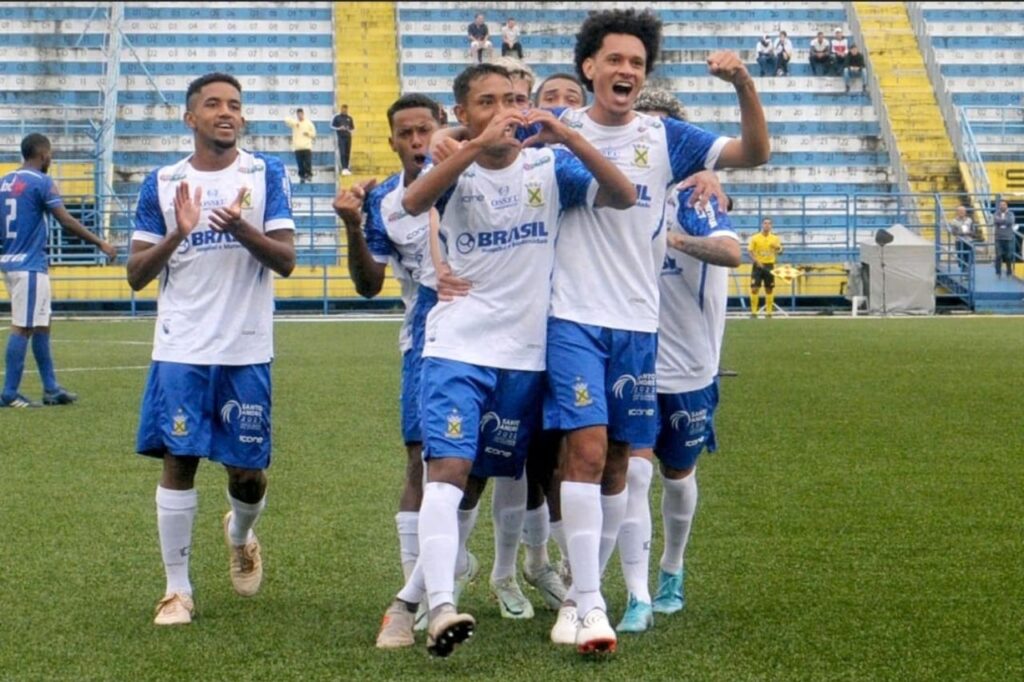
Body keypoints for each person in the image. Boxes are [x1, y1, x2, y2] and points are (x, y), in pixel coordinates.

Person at [373, 62, 636, 658]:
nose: (506, 110)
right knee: (447, 472)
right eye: (488, 101)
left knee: (501, 480)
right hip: (456, 346)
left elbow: (621, 195)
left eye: (515, 98)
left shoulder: (548, 164)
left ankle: (419, 599)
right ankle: (441, 606)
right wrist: (467, 150)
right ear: (461, 115)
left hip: (527, 353)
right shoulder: (446, 165)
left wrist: (568, 135)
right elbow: (411, 202)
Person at [545, 8, 768, 654]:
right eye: (615, 60)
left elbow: (754, 153)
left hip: (639, 327)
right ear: (589, 67)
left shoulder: (665, 136)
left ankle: (584, 592)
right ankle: (587, 604)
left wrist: (743, 86)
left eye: (637, 63)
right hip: (575, 318)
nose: (627, 71)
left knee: (620, 465)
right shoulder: (558, 137)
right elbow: (604, 193)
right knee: (586, 452)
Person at [126, 72, 296, 626]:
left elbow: (287, 261)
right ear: (190, 117)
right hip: (181, 345)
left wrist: (243, 230)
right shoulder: (163, 182)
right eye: (214, 104)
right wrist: (179, 231)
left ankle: (240, 532)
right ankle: (177, 590)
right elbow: (135, 274)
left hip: (246, 347)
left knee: (246, 472)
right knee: (180, 460)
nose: (227, 112)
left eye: (236, 106)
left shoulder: (264, 174)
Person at [333, 94, 442, 625]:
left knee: (530, 464)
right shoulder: (384, 203)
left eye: (425, 129)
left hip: (508, 330)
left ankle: (526, 570)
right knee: (422, 460)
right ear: (393, 140)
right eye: (407, 133)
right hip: (428, 339)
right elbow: (368, 285)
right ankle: (416, 590)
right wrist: (353, 225)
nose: (418, 141)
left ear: (443, 126)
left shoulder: (486, 175)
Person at [640, 186, 741, 631]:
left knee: (677, 475)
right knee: (629, 475)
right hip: (632, 361)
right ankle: (633, 588)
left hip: (690, 368)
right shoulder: (623, 191)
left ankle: (671, 569)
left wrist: (672, 240)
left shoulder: (695, 200)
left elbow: (731, 252)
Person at [0, 133, 117, 408]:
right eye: (50, 155)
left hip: (13, 262)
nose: (50, 159)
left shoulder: (4, 182)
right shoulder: (42, 181)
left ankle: (51, 388)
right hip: (29, 266)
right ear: (43, 155)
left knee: (42, 325)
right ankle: (9, 393)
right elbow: (64, 220)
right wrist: (100, 242)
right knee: (23, 327)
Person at [748, 217, 782, 317]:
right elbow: (750, 251)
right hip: (758, 265)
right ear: (762, 225)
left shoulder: (775, 239)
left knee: (769, 289)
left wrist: (777, 248)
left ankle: (769, 312)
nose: (767, 225)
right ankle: (754, 312)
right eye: (765, 223)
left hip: (769, 265)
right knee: (754, 288)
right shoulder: (755, 238)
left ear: (771, 226)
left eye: (769, 223)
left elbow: (780, 251)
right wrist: (756, 261)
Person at [284, 108, 316, 183]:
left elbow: (314, 134)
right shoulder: (295, 123)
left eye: (301, 114)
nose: (299, 116)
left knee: (308, 162)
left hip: (306, 147)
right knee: (300, 163)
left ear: (303, 114)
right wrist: (295, 123)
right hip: (297, 147)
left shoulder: (308, 123)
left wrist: (308, 133)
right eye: (298, 114)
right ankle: (302, 176)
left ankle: (309, 175)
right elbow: (286, 120)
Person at [947, 205, 977, 271]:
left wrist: (969, 232)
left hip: (969, 241)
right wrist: (962, 233)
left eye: (963, 211)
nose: (961, 212)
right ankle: (963, 270)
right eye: (960, 211)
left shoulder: (970, 220)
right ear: (957, 212)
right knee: (960, 258)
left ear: (965, 212)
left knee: (969, 258)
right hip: (959, 241)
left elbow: (974, 232)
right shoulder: (954, 221)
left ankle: (967, 272)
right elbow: (953, 232)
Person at [992, 200, 1017, 276]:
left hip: (1008, 238)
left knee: (1008, 256)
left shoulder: (1011, 214)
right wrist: (1004, 221)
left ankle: (1009, 271)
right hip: (998, 238)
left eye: (1004, 205)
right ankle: (998, 271)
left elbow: (1010, 221)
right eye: (1001, 205)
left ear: (1007, 206)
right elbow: (995, 220)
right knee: (999, 255)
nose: (1002, 206)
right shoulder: (996, 213)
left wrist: (1001, 221)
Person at [331, 104, 354, 176]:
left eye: (346, 109)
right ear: (341, 109)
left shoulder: (350, 118)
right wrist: (339, 128)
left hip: (348, 137)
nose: (344, 110)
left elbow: (353, 128)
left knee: (347, 152)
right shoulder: (337, 118)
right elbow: (332, 126)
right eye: (343, 109)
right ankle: (343, 168)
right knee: (342, 152)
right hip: (341, 137)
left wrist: (348, 129)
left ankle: (347, 168)